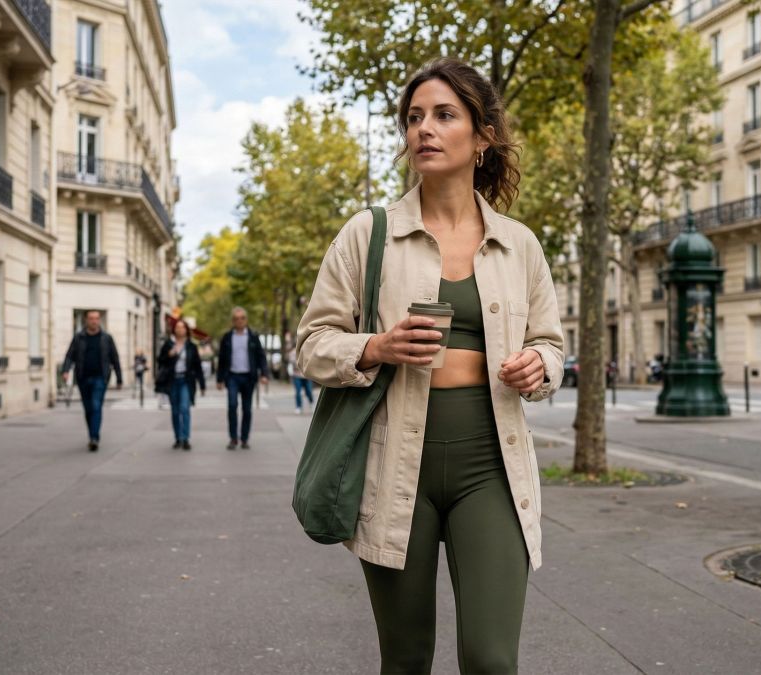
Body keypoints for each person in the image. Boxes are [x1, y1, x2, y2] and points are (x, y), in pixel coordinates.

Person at [296, 58, 563, 674]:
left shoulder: (519, 243)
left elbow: (550, 344)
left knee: (492, 659)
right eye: (414, 118)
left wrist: (537, 366)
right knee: (407, 659)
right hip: (394, 465)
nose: (424, 129)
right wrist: (375, 347)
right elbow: (312, 343)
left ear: (483, 134)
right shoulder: (368, 233)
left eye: (444, 115)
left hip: (491, 462)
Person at [62, 310, 123, 451]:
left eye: (96, 318)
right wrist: (65, 370)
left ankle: (94, 437)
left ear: (99, 320)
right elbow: (70, 355)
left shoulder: (106, 338)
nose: (94, 321)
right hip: (83, 377)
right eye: (91, 318)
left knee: (96, 406)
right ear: (86, 320)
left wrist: (119, 378)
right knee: (88, 408)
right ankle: (92, 434)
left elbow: (115, 358)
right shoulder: (79, 338)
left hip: (100, 378)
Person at [216, 307, 268, 450]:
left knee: (247, 409)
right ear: (233, 321)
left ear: (246, 320)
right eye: (236, 319)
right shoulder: (227, 337)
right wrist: (219, 379)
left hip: (248, 377)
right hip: (232, 376)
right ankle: (233, 438)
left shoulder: (253, 336)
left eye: (242, 318)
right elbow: (221, 359)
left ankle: (244, 438)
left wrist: (264, 374)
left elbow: (261, 356)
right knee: (232, 406)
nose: (239, 321)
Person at [157, 320, 205, 450]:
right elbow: (160, 360)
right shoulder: (168, 344)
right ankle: (178, 437)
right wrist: (169, 354)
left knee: (185, 408)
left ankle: (185, 438)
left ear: (186, 330)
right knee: (175, 410)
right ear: (174, 330)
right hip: (172, 380)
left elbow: (197, 366)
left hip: (186, 380)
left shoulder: (191, 346)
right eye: (177, 327)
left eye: (182, 327)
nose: (179, 330)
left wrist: (202, 384)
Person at [288, 341, 314, 414]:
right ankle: (298, 407)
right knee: (298, 392)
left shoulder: (307, 350)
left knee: (308, 391)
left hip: (307, 376)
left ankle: (311, 402)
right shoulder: (292, 353)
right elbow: (292, 364)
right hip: (297, 376)